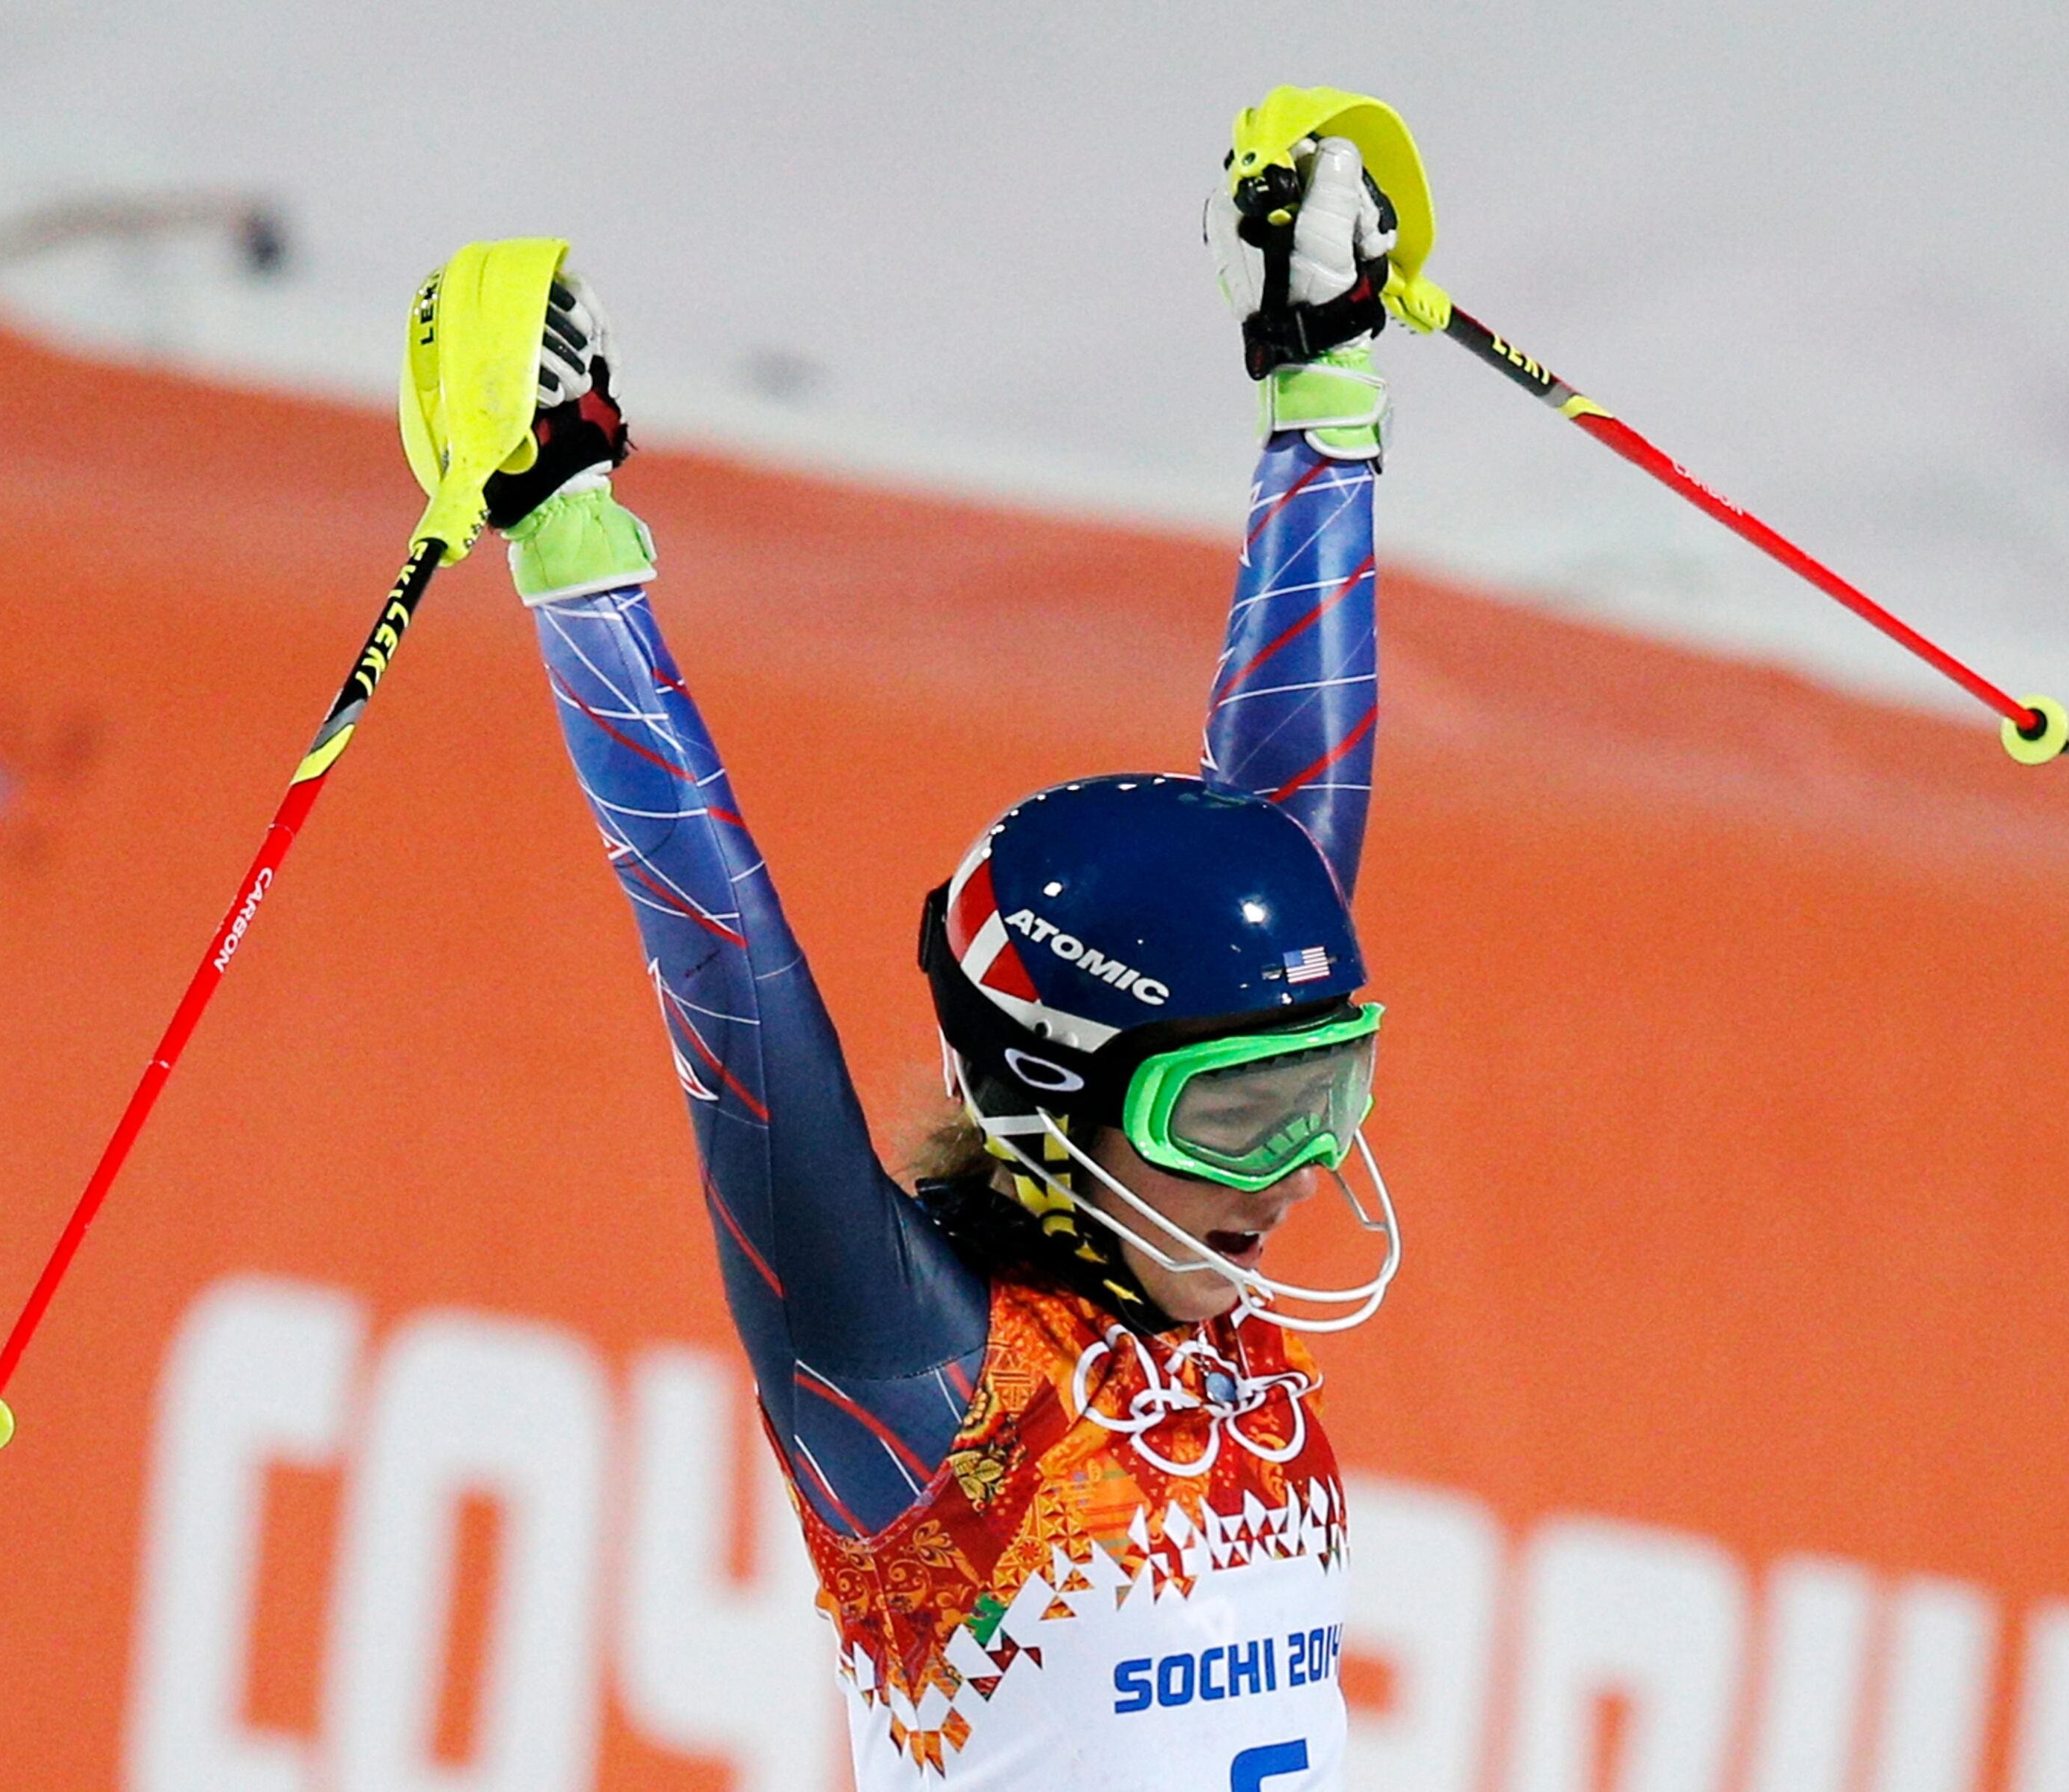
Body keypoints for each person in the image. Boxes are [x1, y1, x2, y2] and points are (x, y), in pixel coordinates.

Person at [491, 132, 1404, 1791]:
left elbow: (1281, 858)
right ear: (1057, 1099)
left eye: (1321, 1094)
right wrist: (569, 545)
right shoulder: (921, 1391)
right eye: (1237, 1114)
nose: (1298, 1166)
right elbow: (733, 993)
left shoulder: (1196, 1300)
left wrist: (1322, 391)